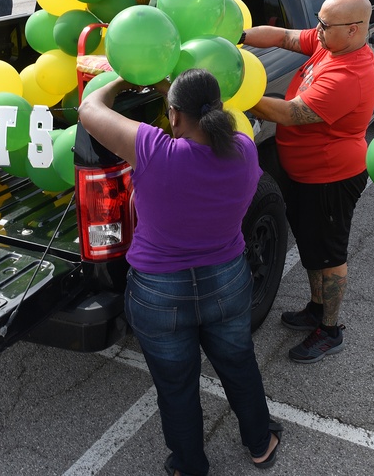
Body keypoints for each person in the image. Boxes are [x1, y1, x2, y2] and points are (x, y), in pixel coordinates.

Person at [77, 68, 283, 476]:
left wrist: (124, 77)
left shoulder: (154, 151)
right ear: (220, 110)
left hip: (159, 291)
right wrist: (171, 93)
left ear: (172, 116)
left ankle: (189, 466)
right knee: (238, 362)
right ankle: (260, 443)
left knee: (176, 385)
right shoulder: (244, 149)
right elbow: (197, 116)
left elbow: (89, 109)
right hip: (226, 281)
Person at [243, 0, 374, 364]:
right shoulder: (329, 44)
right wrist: (238, 37)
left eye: (324, 24)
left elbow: (289, 114)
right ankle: (316, 309)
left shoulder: (350, 74)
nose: (315, 30)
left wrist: (234, 94)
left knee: (329, 255)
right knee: (311, 247)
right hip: (304, 174)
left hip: (330, 180)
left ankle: (329, 330)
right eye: (319, 21)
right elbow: (284, 36)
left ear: (353, 30)